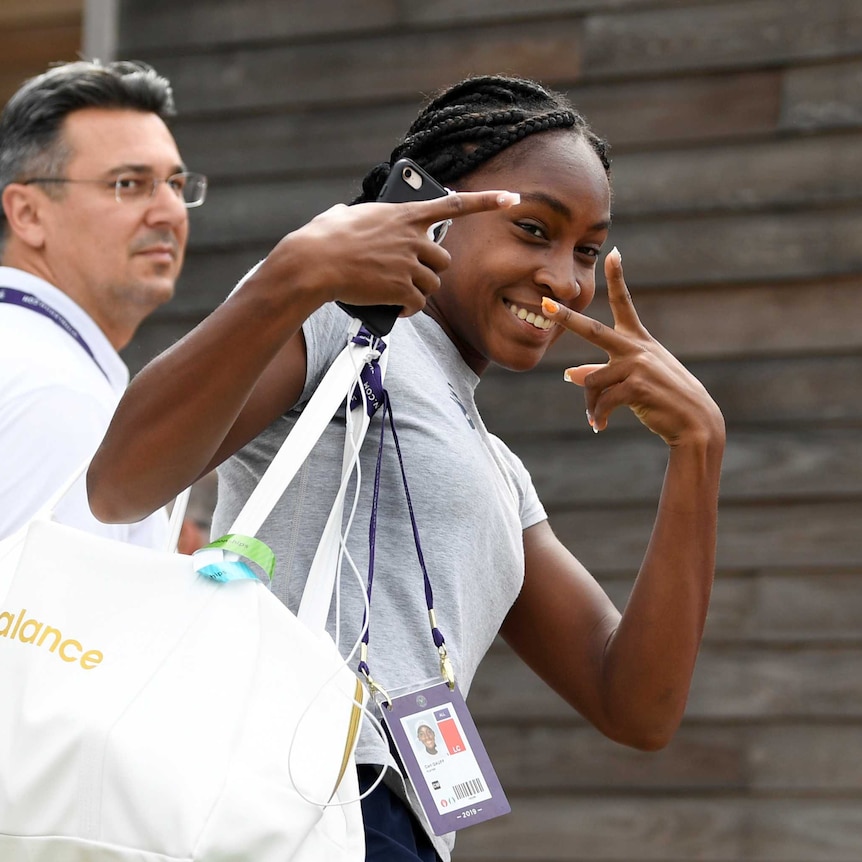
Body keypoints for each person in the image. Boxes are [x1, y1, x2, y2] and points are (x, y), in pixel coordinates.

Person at [88, 75, 725, 861]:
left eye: (587, 250)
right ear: (435, 209)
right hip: (283, 792)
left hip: (400, 824)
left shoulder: (498, 471)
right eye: (533, 230)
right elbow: (119, 485)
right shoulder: (335, 320)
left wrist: (698, 452)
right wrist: (292, 274)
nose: (565, 279)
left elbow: (635, 704)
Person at [0, 59, 203, 545]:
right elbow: (43, 620)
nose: (171, 211)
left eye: (176, 185)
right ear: (27, 214)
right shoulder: (54, 392)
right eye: (128, 184)